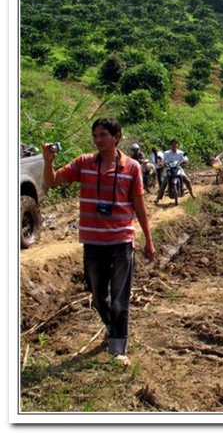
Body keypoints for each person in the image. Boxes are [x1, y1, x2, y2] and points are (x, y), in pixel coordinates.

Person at [42, 117, 155, 367]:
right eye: (95, 135)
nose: (98, 140)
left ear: (116, 137)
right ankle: (110, 327)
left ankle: (117, 348)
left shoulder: (133, 167)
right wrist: (48, 162)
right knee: (97, 296)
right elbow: (51, 182)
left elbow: (139, 205)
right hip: (93, 242)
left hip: (122, 240)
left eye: (103, 135)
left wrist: (148, 239)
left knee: (119, 298)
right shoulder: (84, 163)